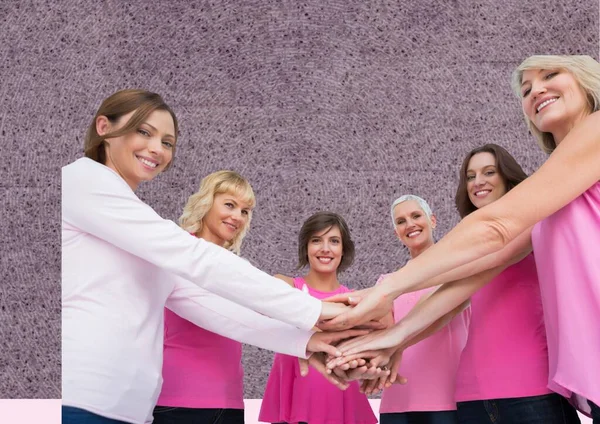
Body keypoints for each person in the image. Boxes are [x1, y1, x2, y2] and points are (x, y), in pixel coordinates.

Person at [324, 55, 600, 420]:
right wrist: (392, 338)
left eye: (551, 75)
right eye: (527, 89)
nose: (537, 90)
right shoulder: (559, 190)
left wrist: (386, 289)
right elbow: (482, 266)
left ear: (586, 82)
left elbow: (495, 228)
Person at [62, 89, 356, 424]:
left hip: (129, 408)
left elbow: (213, 310)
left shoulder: (134, 221)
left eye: (168, 142)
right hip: (86, 399)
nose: (157, 148)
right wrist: (317, 309)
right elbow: (195, 257)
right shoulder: (82, 181)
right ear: (103, 127)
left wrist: (307, 342)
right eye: (143, 132)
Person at [452, 145, 579, 423]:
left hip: (533, 390)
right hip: (470, 396)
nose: (478, 182)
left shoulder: (536, 226)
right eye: (470, 176)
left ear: (508, 179)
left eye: (489, 172)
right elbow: (443, 304)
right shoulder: (463, 242)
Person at [259, 212, 378, 424]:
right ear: (306, 247)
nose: (325, 248)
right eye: (316, 240)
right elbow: (264, 307)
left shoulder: (356, 302)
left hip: (340, 402)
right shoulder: (286, 286)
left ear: (344, 250)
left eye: (334, 241)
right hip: (294, 403)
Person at [376, 195, 469, 424]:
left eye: (416, 216)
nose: (410, 224)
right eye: (401, 221)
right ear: (397, 232)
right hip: (396, 404)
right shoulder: (387, 283)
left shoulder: (463, 269)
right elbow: (381, 338)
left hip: (450, 401)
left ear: (433, 220)